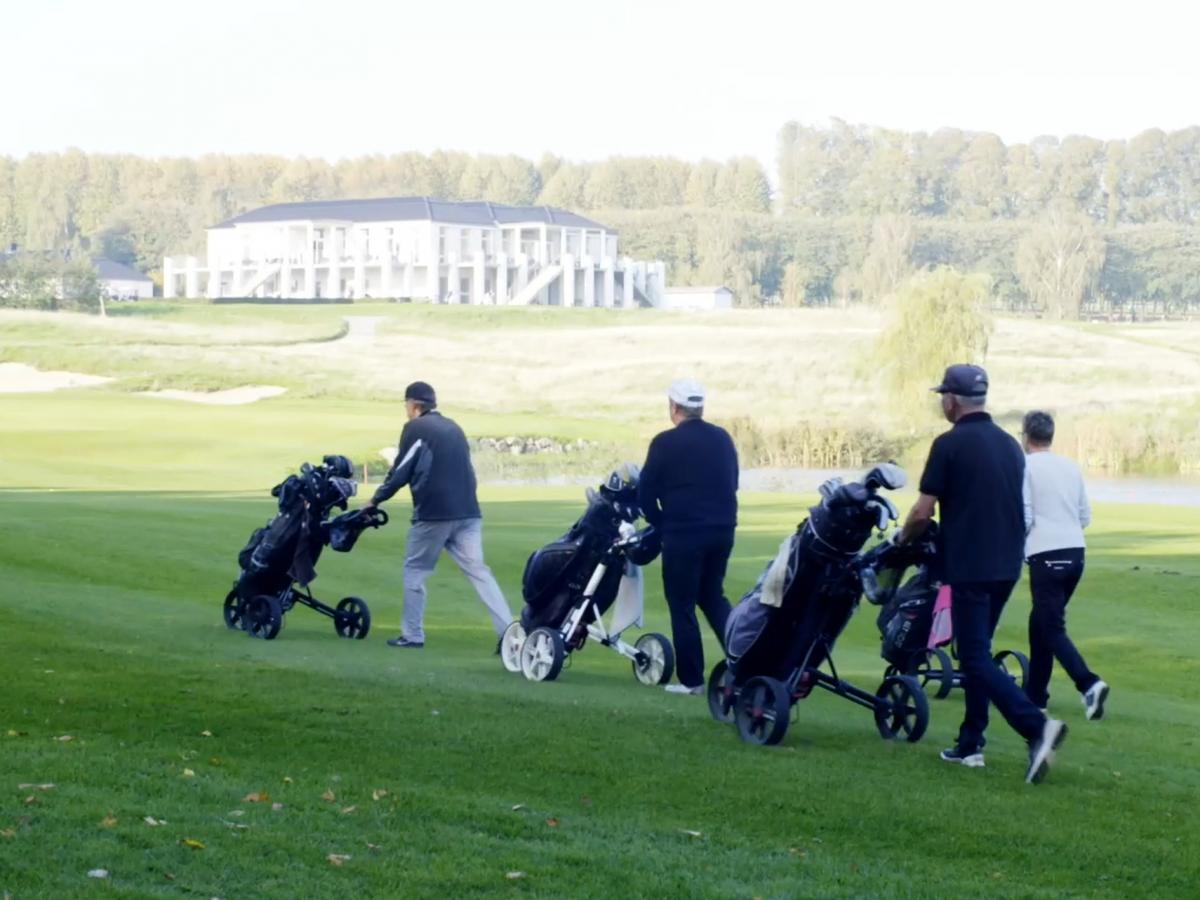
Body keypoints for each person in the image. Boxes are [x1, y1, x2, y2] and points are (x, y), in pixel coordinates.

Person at [899, 364, 1067, 783]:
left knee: (973, 655)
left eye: (943, 396)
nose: (942, 402)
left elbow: (922, 510)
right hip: (1007, 564)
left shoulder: (949, 445)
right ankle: (970, 743)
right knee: (978, 652)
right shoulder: (1011, 446)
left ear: (952, 400)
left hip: (971, 565)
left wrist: (905, 539)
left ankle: (1036, 728)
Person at [364, 381, 513, 650]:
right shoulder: (454, 427)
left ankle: (412, 635)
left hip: (433, 514)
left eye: (407, 405)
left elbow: (402, 470)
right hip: (469, 512)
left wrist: (375, 500)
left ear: (415, 405)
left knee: (415, 571)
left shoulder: (415, 428)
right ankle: (509, 635)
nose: (406, 410)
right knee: (480, 573)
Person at [638, 379, 738, 696]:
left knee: (682, 605)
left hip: (684, 534)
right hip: (722, 531)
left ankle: (692, 680)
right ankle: (746, 664)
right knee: (712, 598)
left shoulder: (665, 442)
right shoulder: (722, 438)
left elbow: (645, 494)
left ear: (674, 407)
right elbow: (732, 482)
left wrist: (661, 524)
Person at [1021, 410, 1109, 719]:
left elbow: (1026, 515)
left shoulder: (1025, 466)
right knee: (1040, 622)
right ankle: (1036, 695)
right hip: (1076, 553)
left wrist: (1021, 546)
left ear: (1025, 436)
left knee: (1051, 626)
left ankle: (1089, 683)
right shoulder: (1070, 467)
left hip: (1047, 555)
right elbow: (1085, 515)